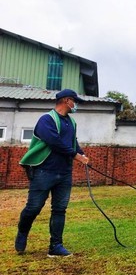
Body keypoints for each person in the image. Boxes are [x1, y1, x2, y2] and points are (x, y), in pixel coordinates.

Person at [15, 89, 89, 257]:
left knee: (60, 209)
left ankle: (55, 246)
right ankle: (22, 232)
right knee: (34, 207)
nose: (75, 105)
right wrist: (76, 155)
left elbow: (72, 142)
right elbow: (55, 142)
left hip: (64, 173)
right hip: (43, 171)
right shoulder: (47, 120)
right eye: (74, 101)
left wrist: (82, 154)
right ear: (67, 101)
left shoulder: (71, 122)